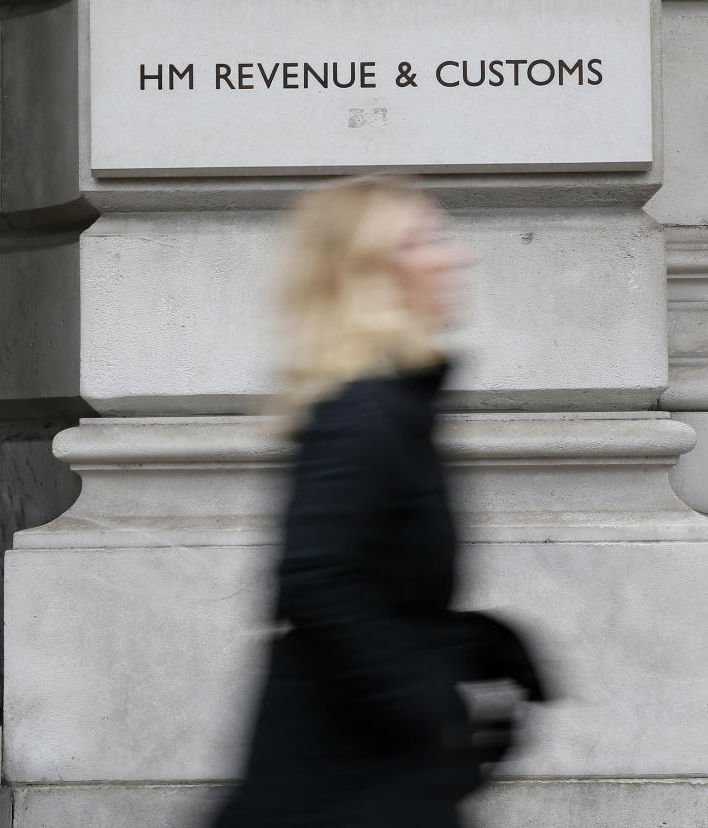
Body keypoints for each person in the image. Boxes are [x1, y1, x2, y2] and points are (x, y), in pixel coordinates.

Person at [212, 175, 550, 828]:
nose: (455, 258)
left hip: (370, 765)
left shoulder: (392, 407)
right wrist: (427, 703)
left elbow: (376, 583)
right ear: (369, 273)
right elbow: (314, 578)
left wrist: (476, 645)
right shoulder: (364, 413)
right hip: (342, 776)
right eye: (426, 241)